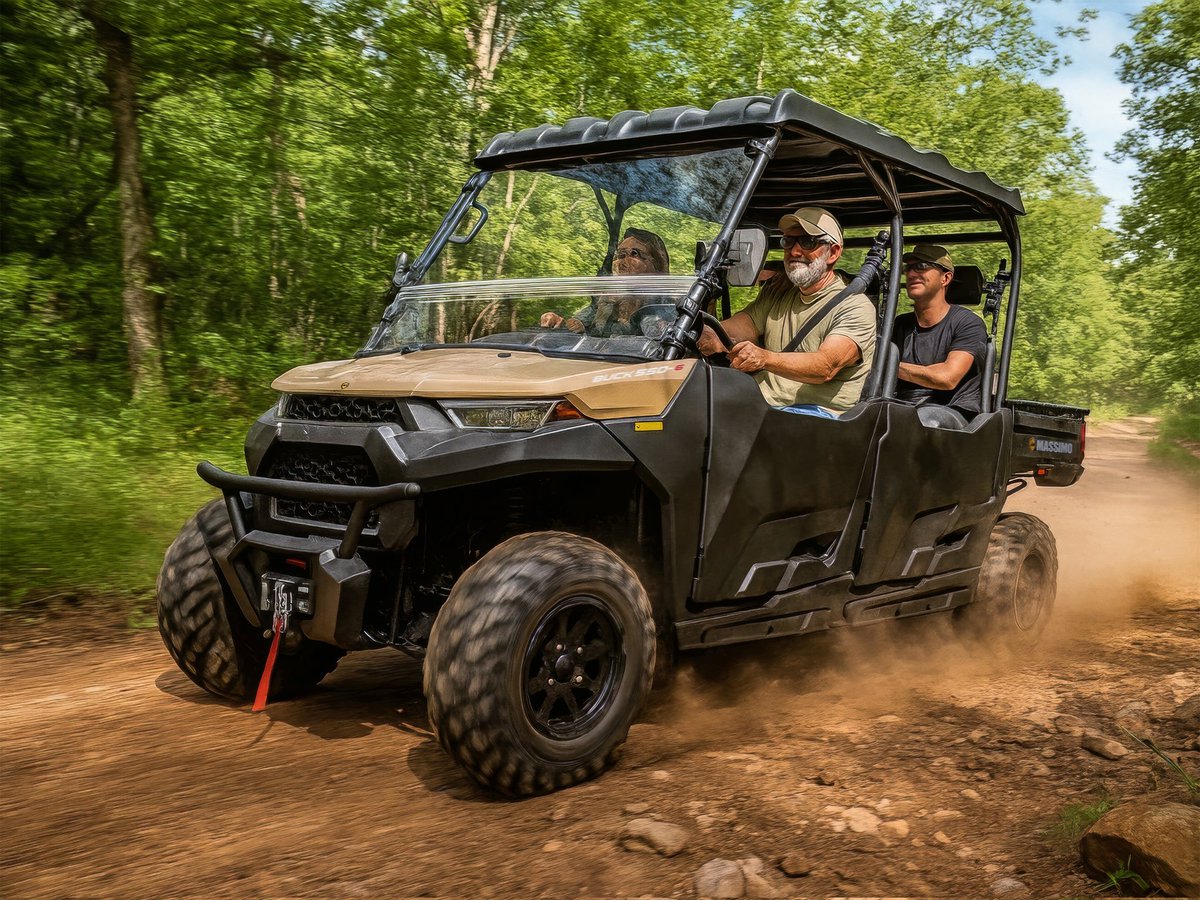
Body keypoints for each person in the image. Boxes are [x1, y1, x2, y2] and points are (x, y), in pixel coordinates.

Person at [697, 206, 876, 417]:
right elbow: (739, 328)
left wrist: (764, 358)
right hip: (763, 405)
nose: (794, 251)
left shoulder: (855, 306)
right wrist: (703, 334)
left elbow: (825, 366)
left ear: (833, 253)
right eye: (788, 241)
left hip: (820, 416)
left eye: (808, 242)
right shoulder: (777, 293)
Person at [891, 244, 988, 420]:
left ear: (945, 278)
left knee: (923, 422)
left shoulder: (968, 324)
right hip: (903, 408)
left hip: (950, 412)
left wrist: (888, 366)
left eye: (921, 267)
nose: (911, 274)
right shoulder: (900, 324)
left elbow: (946, 378)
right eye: (908, 268)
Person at [540, 228, 672, 337]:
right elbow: (576, 328)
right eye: (620, 255)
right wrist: (558, 323)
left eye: (634, 254)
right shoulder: (604, 304)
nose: (622, 262)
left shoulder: (669, 309)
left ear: (657, 264)